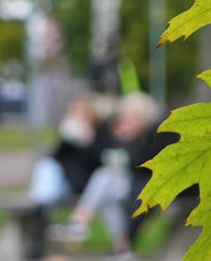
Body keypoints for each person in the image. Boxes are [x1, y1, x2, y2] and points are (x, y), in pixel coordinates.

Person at [52, 92, 159, 260]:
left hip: (139, 188)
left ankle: (79, 221)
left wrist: (127, 142)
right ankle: (123, 250)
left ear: (141, 118)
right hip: (119, 187)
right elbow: (99, 156)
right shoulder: (114, 132)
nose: (124, 121)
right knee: (107, 194)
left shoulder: (152, 137)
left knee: (104, 177)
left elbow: (140, 165)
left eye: (129, 117)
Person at [25, 94, 107, 259]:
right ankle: (40, 205)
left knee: (47, 171)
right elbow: (55, 158)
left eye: (79, 113)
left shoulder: (101, 134)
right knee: (46, 165)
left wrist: (88, 142)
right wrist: (65, 139)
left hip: (87, 188)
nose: (75, 117)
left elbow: (101, 163)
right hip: (63, 186)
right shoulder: (68, 135)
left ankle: (40, 216)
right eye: (72, 113)